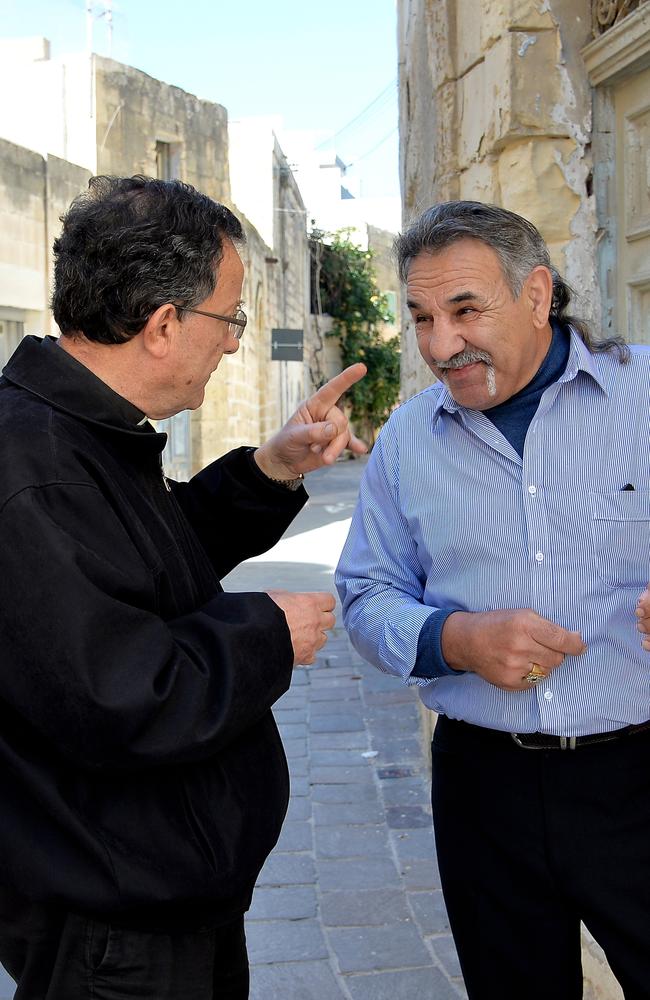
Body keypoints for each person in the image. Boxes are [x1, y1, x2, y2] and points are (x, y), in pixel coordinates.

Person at [0, 174, 366, 1000]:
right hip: (116, 942)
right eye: (230, 318)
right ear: (164, 324)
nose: (236, 342)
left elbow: (144, 568)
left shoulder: (84, 434)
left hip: (162, 911)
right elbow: (119, 692)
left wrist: (271, 472)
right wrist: (270, 633)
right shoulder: (32, 465)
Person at [336, 200, 650, 1000]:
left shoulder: (645, 397)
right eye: (421, 318)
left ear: (538, 294)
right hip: (484, 789)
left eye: (465, 311)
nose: (441, 345)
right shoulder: (407, 441)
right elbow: (365, 592)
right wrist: (456, 639)